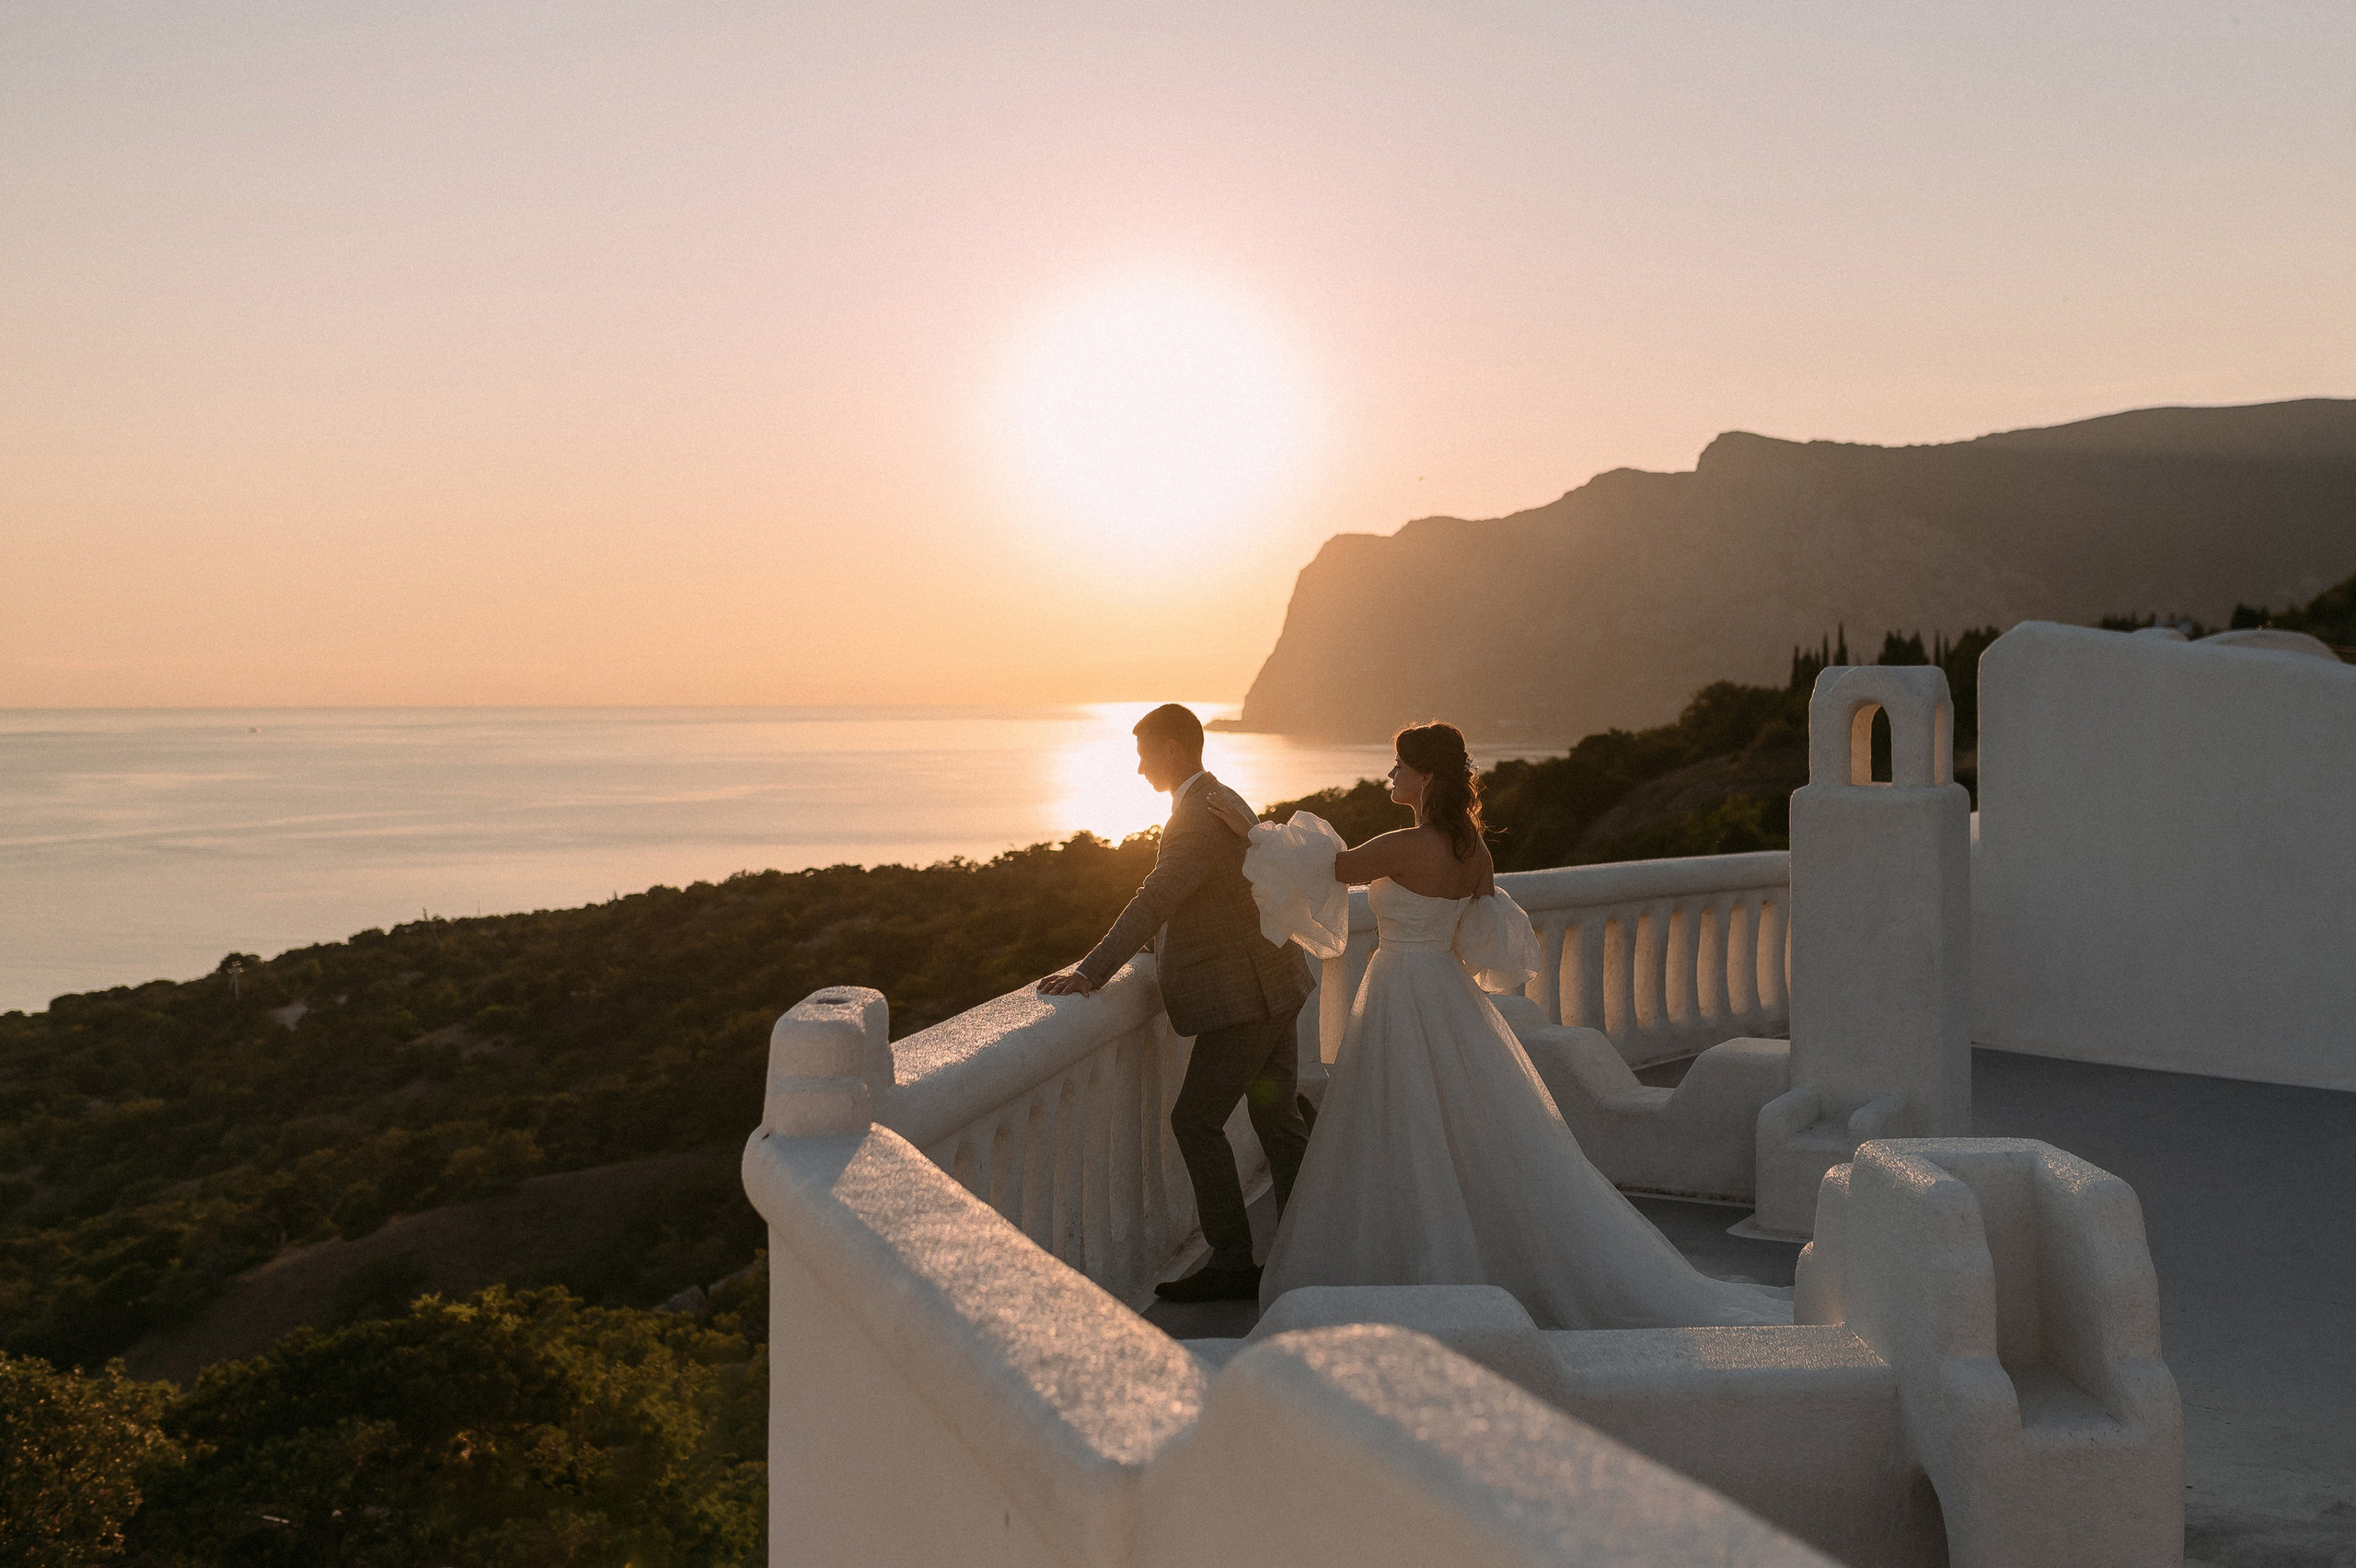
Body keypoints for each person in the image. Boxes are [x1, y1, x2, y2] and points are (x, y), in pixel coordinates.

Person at [1203, 720, 1788, 1330]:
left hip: (1400, 990)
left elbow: (1325, 871)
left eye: (1399, 766)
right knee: (1466, 1130)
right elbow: (1484, 935)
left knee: (1397, 1123)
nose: (1390, 775)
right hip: (1448, 994)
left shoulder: (1404, 846)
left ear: (1426, 776)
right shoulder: (1473, 851)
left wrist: (1251, 832)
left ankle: (1411, 1269)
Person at [1036, 703, 1315, 1303]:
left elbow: (1155, 897)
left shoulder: (1195, 818)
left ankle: (1236, 1263)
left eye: (1142, 755)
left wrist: (1090, 971)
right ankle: (1308, 1250)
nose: (1137, 770)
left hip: (1246, 996)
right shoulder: (1223, 797)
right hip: (1276, 981)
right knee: (1279, 1120)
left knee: (1197, 1120)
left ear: (1170, 750)